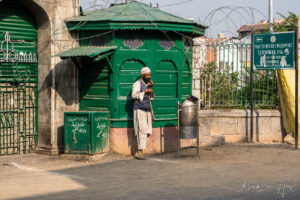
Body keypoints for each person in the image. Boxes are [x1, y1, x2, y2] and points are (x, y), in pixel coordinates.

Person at [131, 67, 154, 160]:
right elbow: (133, 95)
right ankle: (138, 152)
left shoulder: (148, 84)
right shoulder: (137, 84)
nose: (149, 77)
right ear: (142, 75)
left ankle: (141, 150)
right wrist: (144, 91)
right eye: (147, 75)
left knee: (147, 130)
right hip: (139, 109)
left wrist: (151, 88)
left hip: (147, 109)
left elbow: (151, 97)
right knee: (142, 130)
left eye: (150, 75)